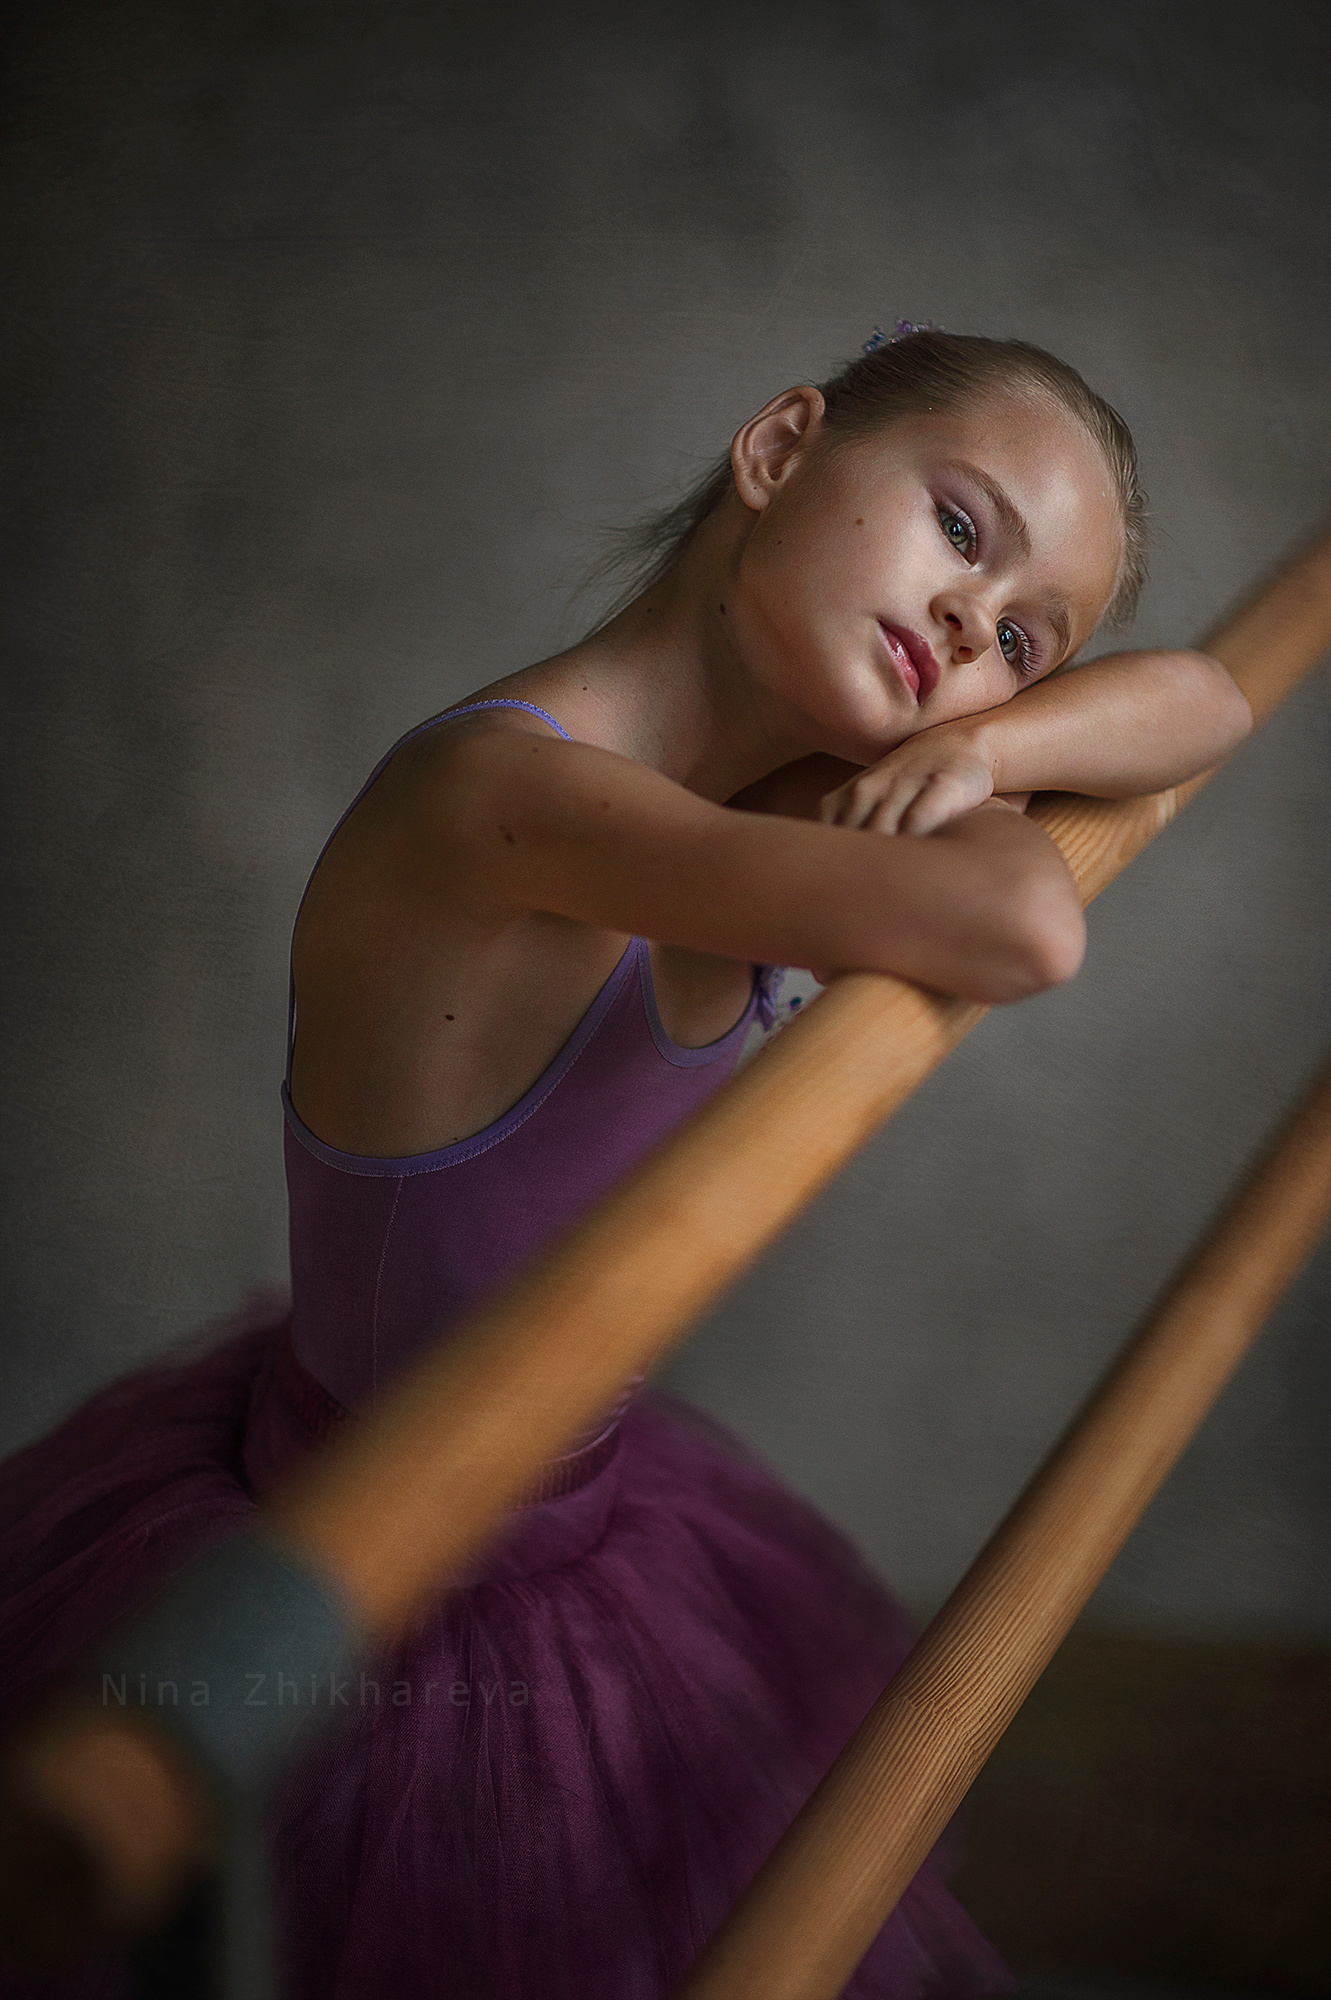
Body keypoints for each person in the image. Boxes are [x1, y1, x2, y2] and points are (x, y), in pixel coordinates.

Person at [0, 328, 1250, 1999]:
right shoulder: (498, 797)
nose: (972, 624)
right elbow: (1024, 926)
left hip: (588, 1528)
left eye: (1022, 640)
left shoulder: (796, 790)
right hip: (377, 1598)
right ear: (781, 445)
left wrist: (992, 747)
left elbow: (1209, 700)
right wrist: (981, 760)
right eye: (962, 528)